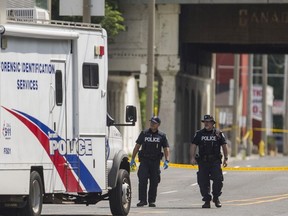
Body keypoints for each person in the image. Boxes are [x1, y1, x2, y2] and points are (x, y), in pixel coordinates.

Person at [130, 116, 170, 207]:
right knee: (142, 180)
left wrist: (167, 160)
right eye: (151, 122)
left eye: (154, 123)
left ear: (158, 125)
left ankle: (152, 201)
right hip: (144, 161)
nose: (152, 124)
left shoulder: (162, 135)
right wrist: (132, 158)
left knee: (154, 182)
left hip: (155, 162)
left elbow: (166, 148)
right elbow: (137, 146)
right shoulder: (144, 133)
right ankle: (142, 200)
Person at [190, 114, 228, 208]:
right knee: (203, 181)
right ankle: (207, 200)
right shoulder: (199, 134)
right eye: (205, 122)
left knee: (218, 180)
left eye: (208, 122)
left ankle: (216, 197)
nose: (206, 124)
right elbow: (193, 145)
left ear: (212, 123)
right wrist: (192, 157)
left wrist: (226, 158)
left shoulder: (218, 133)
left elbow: (224, 145)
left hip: (215, 161)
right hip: (203, 161)